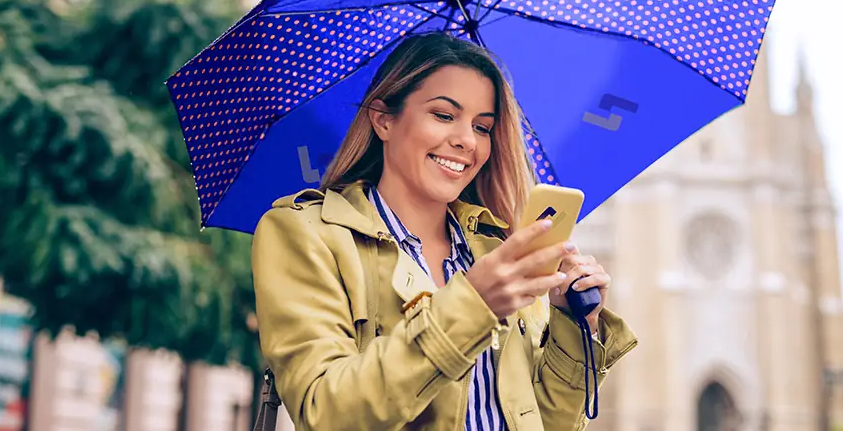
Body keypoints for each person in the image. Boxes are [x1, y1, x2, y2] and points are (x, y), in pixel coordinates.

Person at [252, 31, 637, 431]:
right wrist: (473, 304)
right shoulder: (306, 235)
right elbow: (325, 413)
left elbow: (544, 423)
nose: (467, 141)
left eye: (483, 127)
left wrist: (573, 325)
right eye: (444, 115)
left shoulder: (496, 251)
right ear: (383, 119)